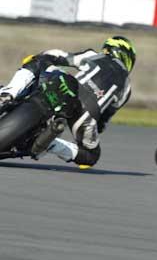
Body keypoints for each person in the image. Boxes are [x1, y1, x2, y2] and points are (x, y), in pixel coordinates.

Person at [0, 36, 135, 166]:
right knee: (90, 155)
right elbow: (102, 122)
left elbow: (60, 55)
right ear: (128, 59)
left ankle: (7, 94)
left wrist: (43, 57)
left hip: (67, 84)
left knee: (38, 61)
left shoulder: (94, 55)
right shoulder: (127, 89)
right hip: (86, 115)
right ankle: (49, 143)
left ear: (108, 49)